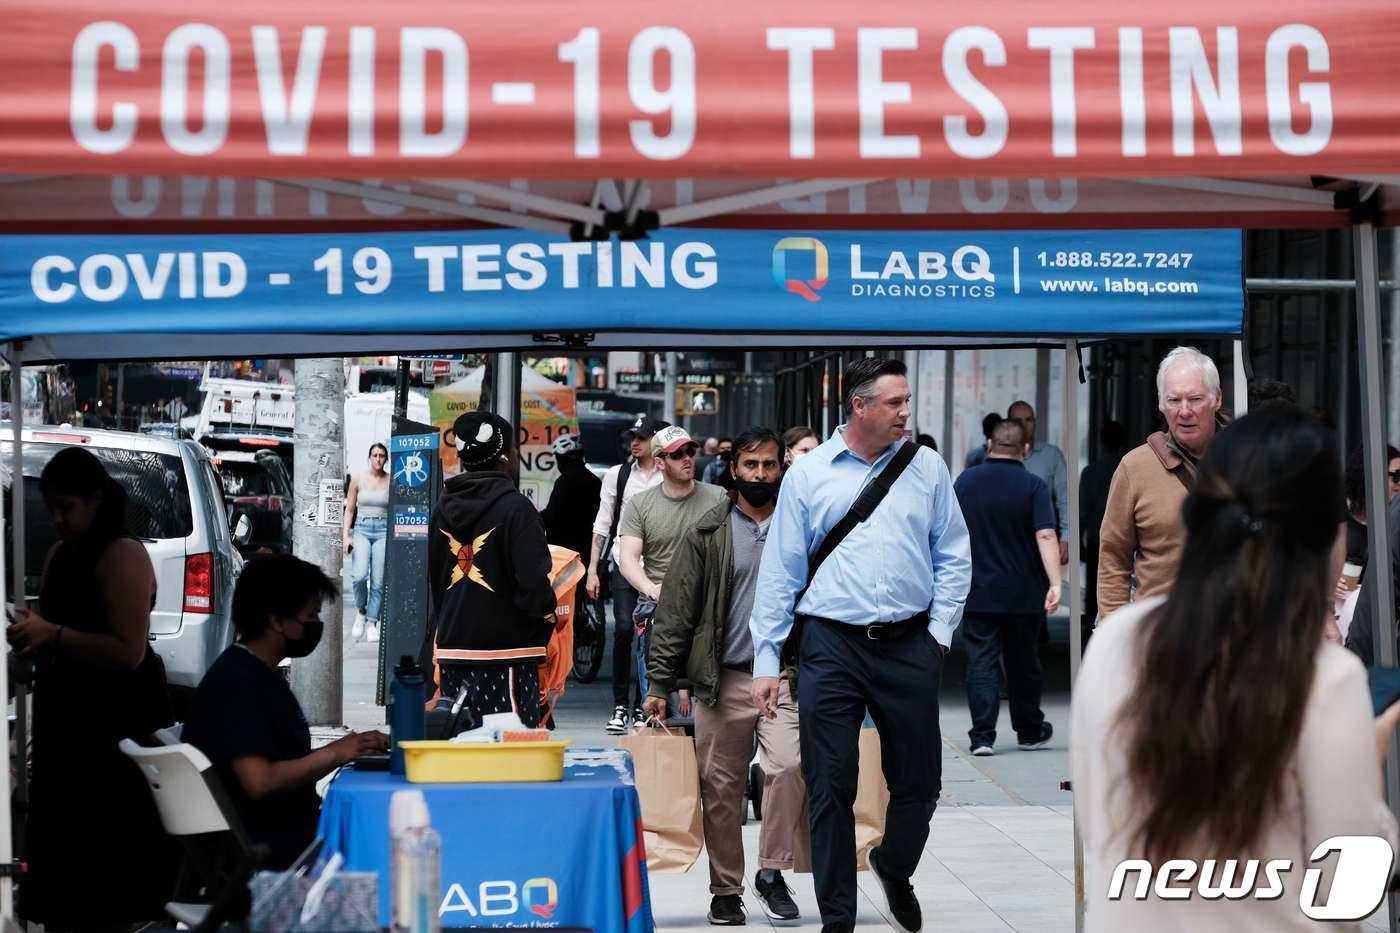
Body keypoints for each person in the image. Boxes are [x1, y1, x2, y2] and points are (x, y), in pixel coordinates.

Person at [1072, 408, 1399, 931]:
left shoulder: (1113, 642)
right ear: (1320, 538)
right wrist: (1374, 751)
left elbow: (1097, 822)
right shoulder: (1324, 677)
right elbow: (1344, 887)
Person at [750, 357, 971, 933]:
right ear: (860, 405)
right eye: (895, 402)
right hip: (831, 645)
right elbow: (781, 571)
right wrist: (768, 658)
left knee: (920, 783)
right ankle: (838, 920)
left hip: (909, 644)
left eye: (906, 401)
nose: (906, 413)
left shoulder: (926, 466)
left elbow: (953, 553)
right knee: (829, 784)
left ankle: (893, 866)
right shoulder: (810, 473)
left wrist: (938, 637)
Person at [9, 447, 178, 928]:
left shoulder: (123, 554)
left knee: (104, 875)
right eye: (53, 510)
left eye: (67, 508)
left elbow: (129, 651)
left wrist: (53, 635)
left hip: (112, 731)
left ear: (96, 500)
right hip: (68, 727)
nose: (58, 520)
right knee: (67, 876)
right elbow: (55, 625)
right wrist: (33, 639)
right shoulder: (63, 553)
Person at [645, 427, 804, 926]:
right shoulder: (708, 533)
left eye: (770, 466)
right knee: (721, 790)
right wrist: (659, 684)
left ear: (783, 469)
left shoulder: (800, 530)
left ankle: (772, 872)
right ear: (733, 469)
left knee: (786, 768)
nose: (761, 475)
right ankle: (725, 890)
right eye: (751, 466)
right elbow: (675, 614)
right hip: (722, 679)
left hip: (783, 678)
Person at [184, 556, 390, 869]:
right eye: (310, 615)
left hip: (286, 837)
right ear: (276, 620)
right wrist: (336, 753)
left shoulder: (257, 674)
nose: (315, 626)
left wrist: (349, 750)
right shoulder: (238, 684)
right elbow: (260, 780)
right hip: (273, 852)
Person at [428, 412, 558, 729]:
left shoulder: (441, 510)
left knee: (459, 752)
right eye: (513, 448)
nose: (516, 455)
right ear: (503, 456)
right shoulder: (517, 509)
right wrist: (544, 622)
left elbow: (435, 581)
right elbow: (534, 585)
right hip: (509, 656)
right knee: (511, 760)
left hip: (454, 655)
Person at [954, 418, 1060, 756]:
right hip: (1024, 593)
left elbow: (950, 533)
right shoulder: (1033, 486)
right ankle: (1029, 731)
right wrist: (1056, 582)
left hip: (978, 590)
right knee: (1023, 663)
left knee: (981, 662)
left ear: (989, 445)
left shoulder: (966, 483)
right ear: (1025, 450)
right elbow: (1044, 534)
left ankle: (982, 736)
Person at [1098, 346, 1223, 618]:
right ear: (1160, 403)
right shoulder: (1135, 468)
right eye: (1175, 400)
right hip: (1159, 639)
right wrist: (1114, 633)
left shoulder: (1250, 458)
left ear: (1217, 399)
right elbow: (1113, 560)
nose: (1185, 411)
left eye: (1195, 399)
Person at [618, 426, 728, 705]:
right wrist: (651, 589)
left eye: (690, 451)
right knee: (657, 703)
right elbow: (628, 558)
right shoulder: (640, 504)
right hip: (660, 610)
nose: (687, 458)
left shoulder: (719, 498)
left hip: (708, 611)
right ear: (659, 462)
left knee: (708, 701)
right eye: (676, 454)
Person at [588, 415, 668, 733]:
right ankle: (621, 705)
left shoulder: (668, 475)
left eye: (642, 437)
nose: (635, 442)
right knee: (623, 630)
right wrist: (593, 569)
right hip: (624, 564)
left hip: (659, 567)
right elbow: (602, 523)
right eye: (632, 437)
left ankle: (641, 706)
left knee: (650, 638)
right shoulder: (617, 476)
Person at [1007, 401, 1070, 567]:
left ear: (1035, 422)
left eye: (1029, 420)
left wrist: (1066, 537)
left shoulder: (1052, 456)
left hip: (1041, 544)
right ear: (1008, 423)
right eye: (1018, 421)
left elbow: (1066, 498)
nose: (1024, 425)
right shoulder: (997, 457)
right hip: (1005, 543)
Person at [1079, 420, 1127, 631]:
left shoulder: (1091, 472)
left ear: (1101, 442)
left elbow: (1083, 509)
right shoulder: (1129, 469)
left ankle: (1093, 622)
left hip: (1096, 538)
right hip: (1125, 539)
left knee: (1096, 583)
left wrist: (1077, 539)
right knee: (1123, 582)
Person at [343, 441, 389, 643]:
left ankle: (372, 621)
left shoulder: (391, 480)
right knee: (359, 576)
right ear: (369, 457)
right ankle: (361, 611)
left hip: (383, 531)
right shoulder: (358, 479)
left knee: (378, 581)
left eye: (381, 455)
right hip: (362, 530)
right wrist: (346, 536)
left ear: (385, 459)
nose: (378, 459)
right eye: (375, 455)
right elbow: (350, 509)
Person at [541, 432, 602, 562]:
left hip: (562, 552)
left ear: (566, 458)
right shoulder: (595, 482)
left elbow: (552, 516)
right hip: (587, 551)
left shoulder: (564, 482)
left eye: (558, 458)